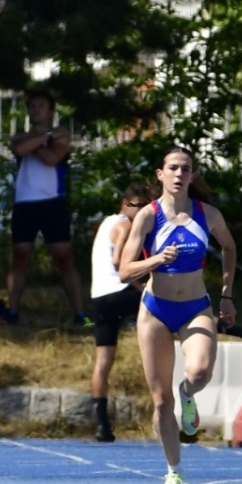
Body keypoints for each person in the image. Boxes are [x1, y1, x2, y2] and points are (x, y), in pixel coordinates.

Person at [117, 145, 238, 484]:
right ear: (160, 174)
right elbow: (125, 270)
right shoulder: (148, 216)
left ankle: (187, 393)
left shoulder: (208, 214)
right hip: (155, 310)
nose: (178, 174)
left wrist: (227, 294)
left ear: (192, 175)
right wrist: (155, 259)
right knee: (159, 401)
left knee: (199, 372)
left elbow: (229, 248)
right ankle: (174, 471)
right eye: (172, 168)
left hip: (195, 307)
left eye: (185, 169)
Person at [6, 89, 86, 326]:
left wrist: (35, 142)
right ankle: (12, 312)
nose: (35, 109)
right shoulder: (23, 136)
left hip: (52, 202)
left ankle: (81, 314)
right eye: (32, 106)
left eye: (40, 105)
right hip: (24, 203)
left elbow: (53, 158)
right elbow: (19, 149)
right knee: (20, 256)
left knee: (64, 257)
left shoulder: (60, 134)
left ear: (51, 110)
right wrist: (44, 137)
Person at [88, 185, 153, 442]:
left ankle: (102, 426)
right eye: (139, 206)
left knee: (103, 360)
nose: (142, 211)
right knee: (175, 304)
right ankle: (229, 327)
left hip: (100, 296)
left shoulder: (107, 222)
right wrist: (142, 285)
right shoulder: (125, 225)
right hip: (119, 292)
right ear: (126, 204)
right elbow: (119, 262)